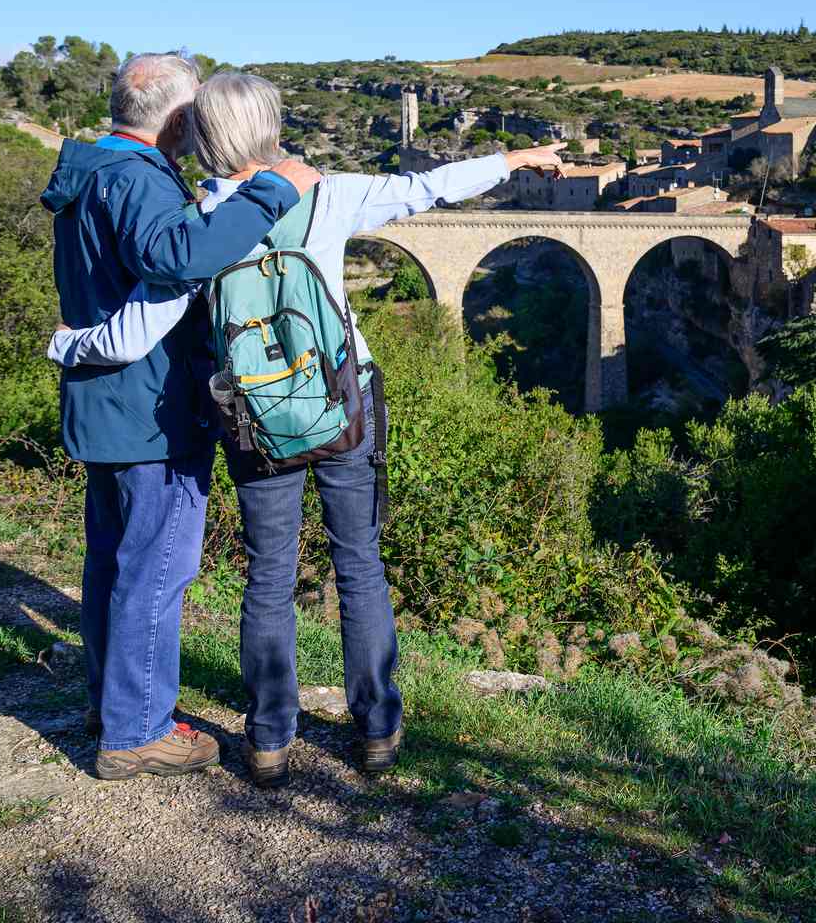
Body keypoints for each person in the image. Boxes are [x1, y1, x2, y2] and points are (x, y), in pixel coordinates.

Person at [50, 71, 561, 786]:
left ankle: (268, 740)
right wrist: (511, 161)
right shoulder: (327, 193)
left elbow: (155, 318)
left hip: (256, 418)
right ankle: (378, 728)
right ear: (271, 126)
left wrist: (74, 344)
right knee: (359, 565)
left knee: (268, 578)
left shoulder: (203, 218)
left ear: (203, 137)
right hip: (343, 404)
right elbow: (427, 188)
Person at [41, 53, 322, 780]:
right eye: (197, 111)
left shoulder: (96, 169)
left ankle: (113, 707)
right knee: (155, 570)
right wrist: (267, 193)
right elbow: (176, 256)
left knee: (112, 563)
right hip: (148, 411)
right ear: (174, 116)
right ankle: (137, 733)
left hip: (108, 402)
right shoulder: (135, 177)